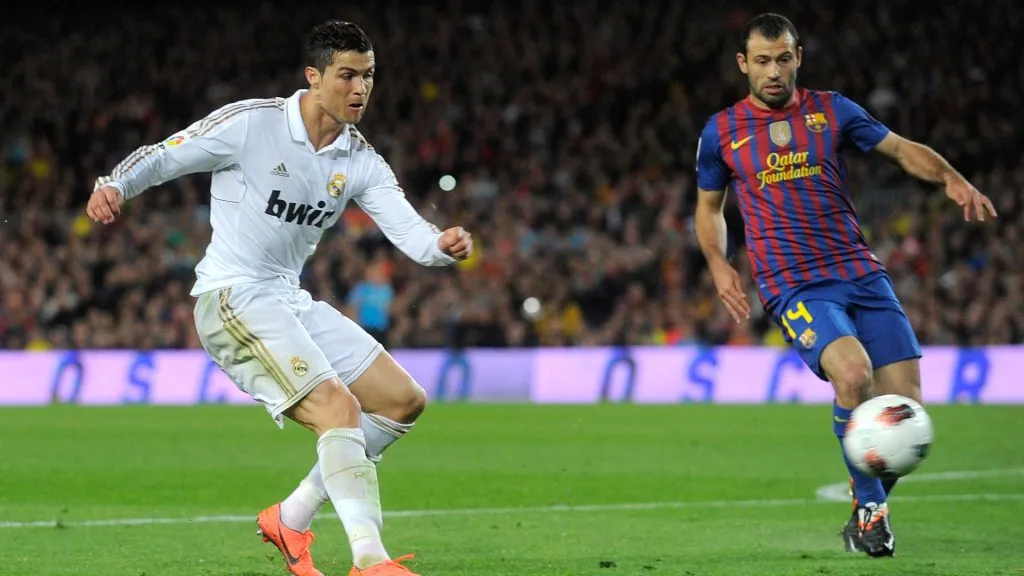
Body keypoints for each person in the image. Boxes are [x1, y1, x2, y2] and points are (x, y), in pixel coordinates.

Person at [86, 20, 472, 576]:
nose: (360, 88)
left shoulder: (359, 160)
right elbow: (167, 154)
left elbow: (413, 235)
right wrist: (116, 183)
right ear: (314, 77)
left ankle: (290, 518)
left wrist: (441, 245)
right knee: (337, 409)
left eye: (368, 76)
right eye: (347, 75)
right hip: (232, 297)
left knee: (401, 399)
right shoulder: (252, 124)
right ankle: (370, 559)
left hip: (287, 298)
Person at [693, 13, 997, 558]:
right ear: (744, 64)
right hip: (793, 283)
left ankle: (862, 508)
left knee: (906, 414)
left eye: (783, 58)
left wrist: (952, 176)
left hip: (860, 271)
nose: (773, 71)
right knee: (853, 376)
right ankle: (874, 514)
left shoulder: (831, 110)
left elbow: (901, 148)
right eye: (761, 60)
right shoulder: (722, 131)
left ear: (798, 57)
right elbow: (709, 208)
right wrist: (718, 260)